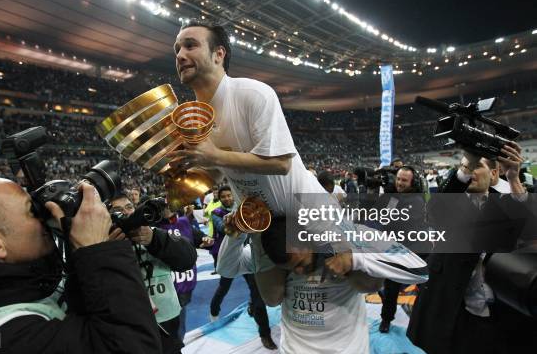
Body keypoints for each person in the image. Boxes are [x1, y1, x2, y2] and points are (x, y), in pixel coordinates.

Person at [167, 19, 332, 284]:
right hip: (259, 219)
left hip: (305, 207)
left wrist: (213, 156)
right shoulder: (194, 118)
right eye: (177, 49)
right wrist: (177, 173)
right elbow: (213, 175)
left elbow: (281, 163)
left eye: (190, 45)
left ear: (219, 54)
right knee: (272, 296)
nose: (180, 55)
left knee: (346, 278)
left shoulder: (252, 93)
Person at [0, 178, 161, 353]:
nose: (43, 217)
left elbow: (77, 324)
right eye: (32, 211)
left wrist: (84, 253)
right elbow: (134, 346)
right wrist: (98, 252)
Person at [217, 216, 428, 354]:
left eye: (300, 263)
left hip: (348, 351)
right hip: (294, 350)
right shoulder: (274, 253)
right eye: (291, 268)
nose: (298, 271)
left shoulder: (346, 238)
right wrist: (237, 233)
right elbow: (226, 268)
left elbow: (420, 272)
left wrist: (355, 259)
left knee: (365, 280)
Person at [407, 142, 533, 354]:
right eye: (467, 167)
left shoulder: (506, 204)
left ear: (493, 173)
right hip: (455, 310)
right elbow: (438, 209)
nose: (471, 171)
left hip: (501, 310)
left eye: (477, 166)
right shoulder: (450, 205)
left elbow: (530, 229)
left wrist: (513, 178)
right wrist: (466, 166)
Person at [109, 194, 198, 354]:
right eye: (118, 211)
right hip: (131, 331)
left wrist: (154, 239)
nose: (127, 213)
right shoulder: (102, 243)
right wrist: (105, 250)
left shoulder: (153, 232)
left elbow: (188, 258)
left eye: (129, 207)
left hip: (169, 324)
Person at [208, 185, 277, 350]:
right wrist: (236, 230)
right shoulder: (218, 212)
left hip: (248, 253)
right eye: (223, 196)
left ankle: (259, 322)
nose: (226, 198)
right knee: (226, 287)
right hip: (233, 253)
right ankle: (215, 313)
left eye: (228, 195)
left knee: (258, 294)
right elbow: (221, 229)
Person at [371, 166, 426, 333]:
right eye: (398, 179)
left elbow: (400, 223)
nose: (399, 183)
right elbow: (381, 217)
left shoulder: (417, 200)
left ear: (412, 182)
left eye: (404, 180)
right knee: (384, 283)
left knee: (393, 286)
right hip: (386, 246)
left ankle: (386, 319)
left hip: (404, 249)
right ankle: (385, 305)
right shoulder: (392, 196)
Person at [157, 204, 214, 342]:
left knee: (179, 327)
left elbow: (200, 238)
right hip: (162, 287)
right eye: (163, 207)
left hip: (183, 283)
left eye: (169, 205)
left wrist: (206, 240)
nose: (167, 209)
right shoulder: (151, 227)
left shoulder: (182, 222)